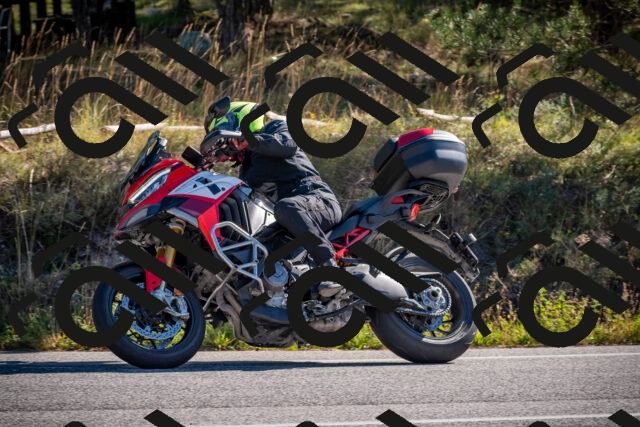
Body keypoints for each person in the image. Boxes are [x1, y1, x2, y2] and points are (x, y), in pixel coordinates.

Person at [201, 97, 343, 297]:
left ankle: (331, 268)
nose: (228, 148)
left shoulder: (275, 128)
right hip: (288, 219)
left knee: (287, 207)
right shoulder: (247, 169)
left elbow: (288, 145)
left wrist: (250, 141)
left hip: (317, 200)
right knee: (256, 247)